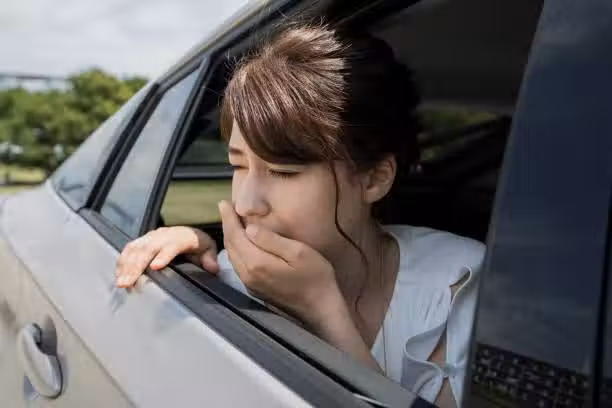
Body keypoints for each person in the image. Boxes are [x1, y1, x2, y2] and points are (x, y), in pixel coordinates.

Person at [114, 23, 484, 407]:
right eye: (238, 166)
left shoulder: (458, 283)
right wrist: (193, 266)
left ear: (374, 178)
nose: (245, 204)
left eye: (283, 172)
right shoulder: (230, 276)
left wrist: (322, 310)